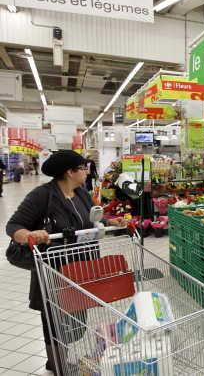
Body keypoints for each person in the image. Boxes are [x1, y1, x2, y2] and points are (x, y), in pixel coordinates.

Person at [6, 150, 126, 372]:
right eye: (83, 168)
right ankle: (56, 363)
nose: (86, 172)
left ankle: (70, 356)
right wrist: (29, 235)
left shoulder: (81, 193)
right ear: (69, 172)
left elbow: (92, 219)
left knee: (75, 316)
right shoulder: (42, 196)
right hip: (54, 269)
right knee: (53, 319)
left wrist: (111, 221)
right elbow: (13, 226)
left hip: (81, 267)